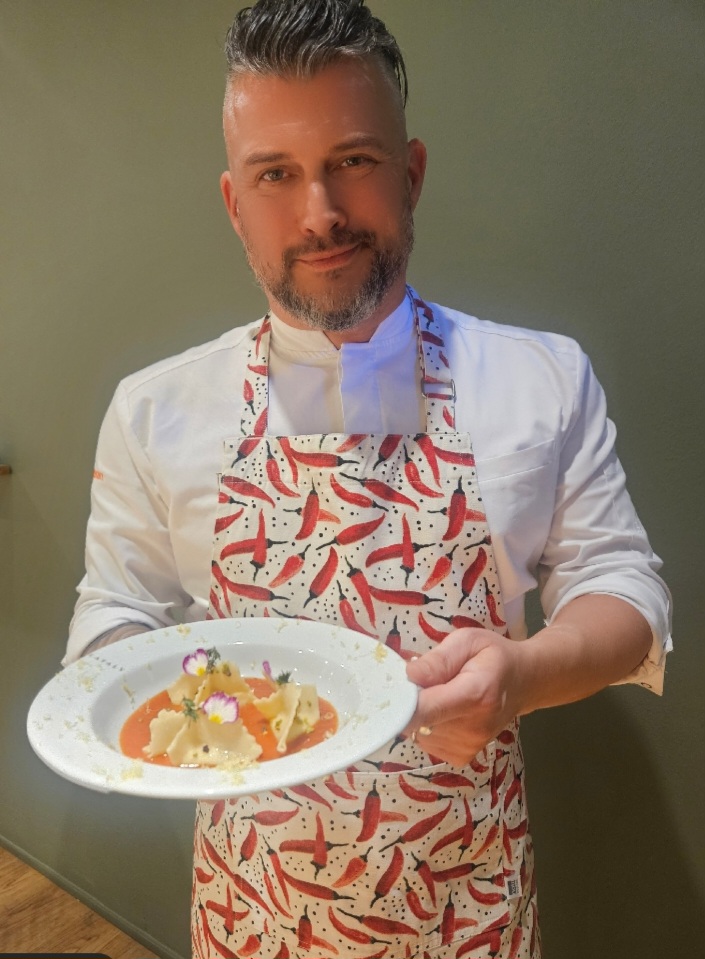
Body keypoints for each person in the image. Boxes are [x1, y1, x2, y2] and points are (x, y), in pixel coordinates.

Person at [65, 1, 672, 956]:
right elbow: (113, 616)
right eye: (277, 174)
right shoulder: (154, 410)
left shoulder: (540, 377)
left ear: (411, 172)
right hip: (250, 909)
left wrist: (521, 675)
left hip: (467, 907)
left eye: (352, 159)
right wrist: (131, 702)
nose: (320, 213)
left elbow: (625, 591)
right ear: (234, 201)